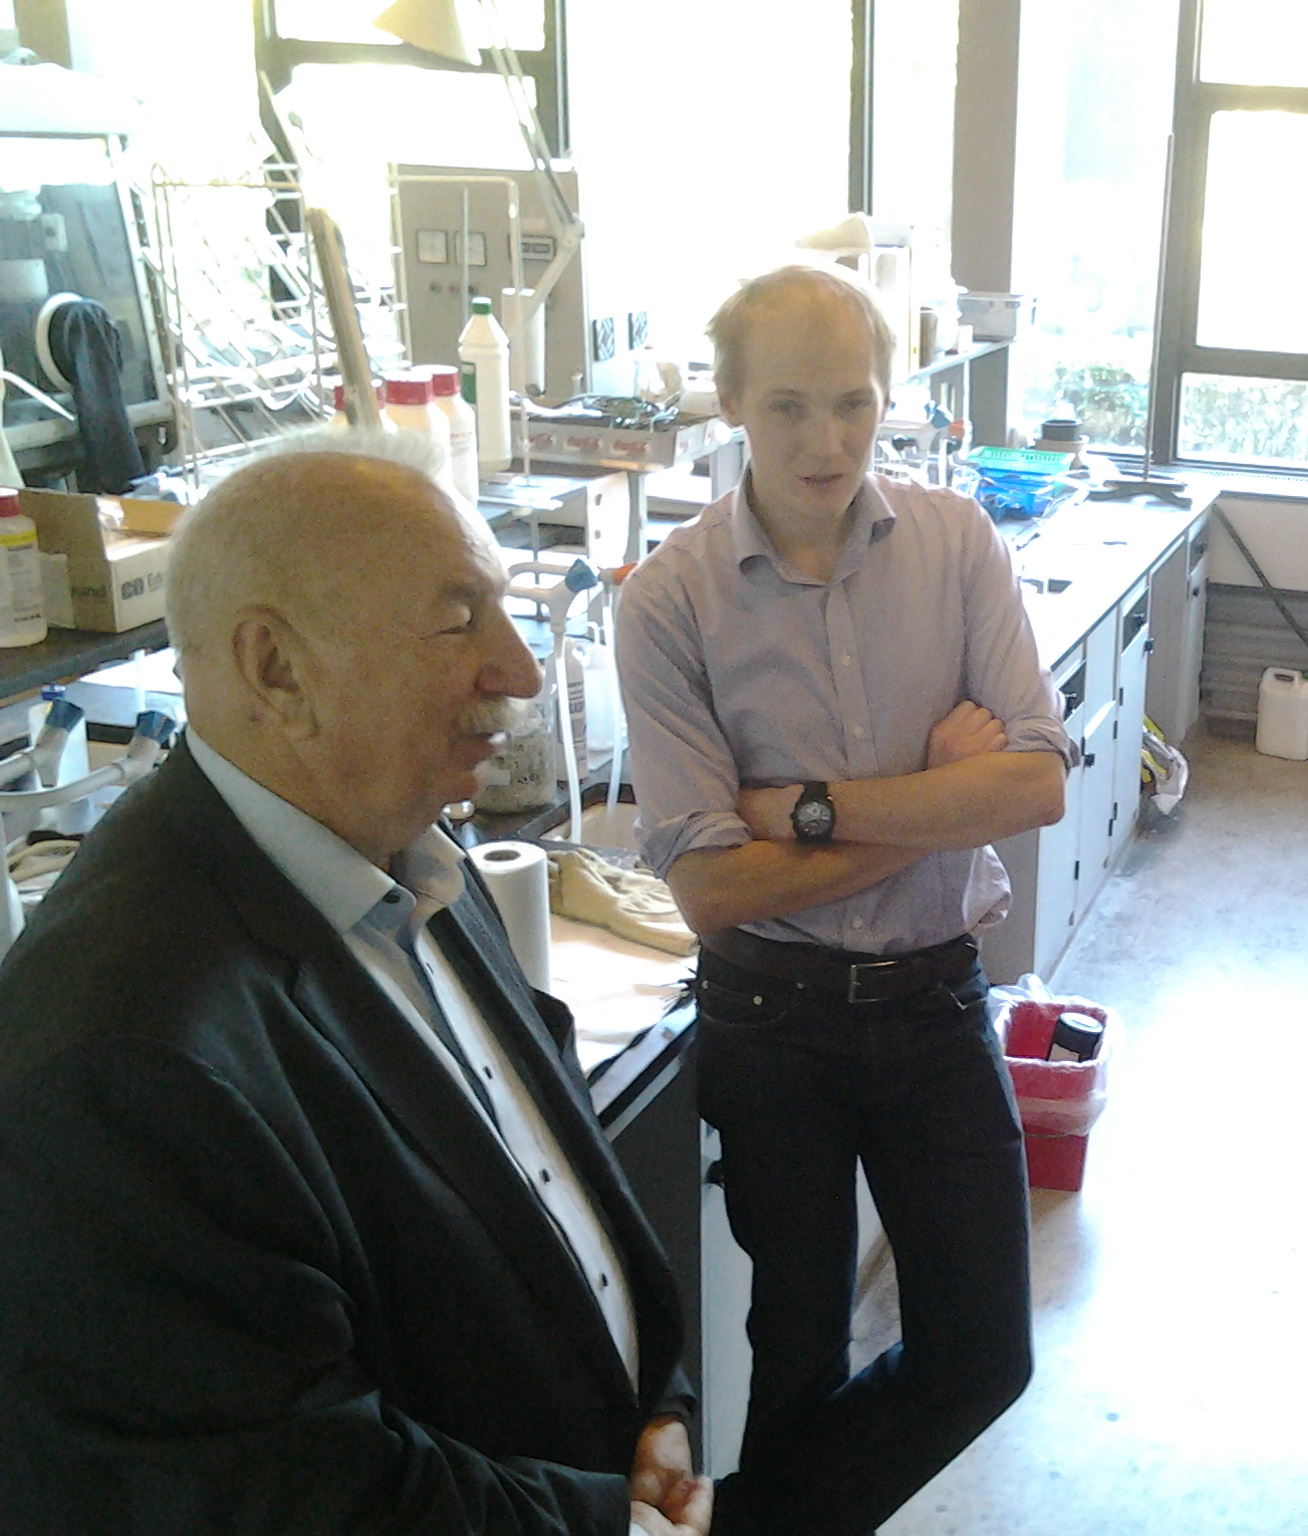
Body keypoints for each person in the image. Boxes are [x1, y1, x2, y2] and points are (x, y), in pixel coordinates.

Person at [0, 439, 712, 1536]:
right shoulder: (122, 1061)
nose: (520, 671)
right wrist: (605, 1522)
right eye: (458, 619)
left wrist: (651, 1401)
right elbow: (281, 1485)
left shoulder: (410, 848)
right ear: (277, 669)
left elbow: (542, 1175)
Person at [615, 263, 1072, 1536]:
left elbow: (1035, 783)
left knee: (982, 1355)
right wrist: (932, 794)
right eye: (788, 407)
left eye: (854, 403)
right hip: (771, 1017)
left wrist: (808, 811)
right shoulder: (668, 602)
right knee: (798, 1347)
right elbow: (713, 889)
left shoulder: (956, 543)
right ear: (728, 403)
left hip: (934, 998)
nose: (826, 442)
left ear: (890, 393)